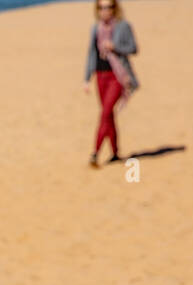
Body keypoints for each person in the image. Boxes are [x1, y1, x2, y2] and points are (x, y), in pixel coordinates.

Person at [83, 0, 138, 168]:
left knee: (105, 112)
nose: (104, 11)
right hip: (101, 75)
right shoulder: (96, 28)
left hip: (118, 75)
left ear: (115, 8)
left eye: (108, 7)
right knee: (109, 115)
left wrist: (115, 46)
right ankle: (115, 152)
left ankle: (95, 153)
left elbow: (133, 48)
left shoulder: (123, 26)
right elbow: (91, 53)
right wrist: (86, 78)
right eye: (101, 7)